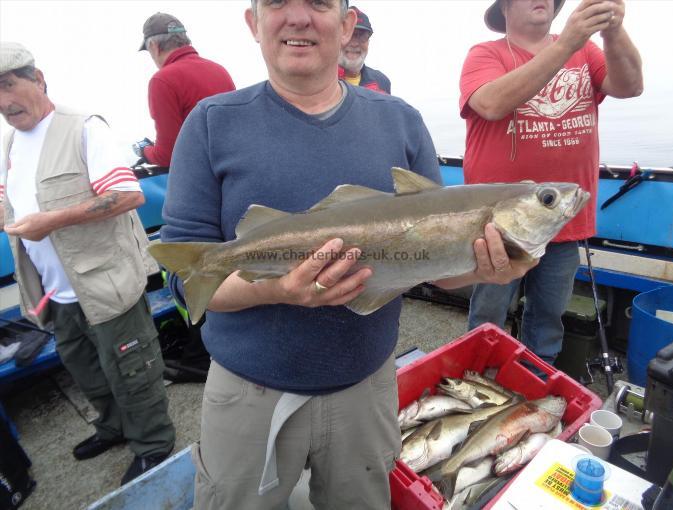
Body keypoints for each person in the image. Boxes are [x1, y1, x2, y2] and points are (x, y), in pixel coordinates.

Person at [160, 1, 534, 508]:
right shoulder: (210, 122)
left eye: (318, 2)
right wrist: (277, 289)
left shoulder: (401, 120)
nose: (298, 17)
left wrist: (490, 269)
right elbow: (189, 283)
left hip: (367, 383)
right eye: (276, 3)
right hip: (249, 389)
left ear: (346, 23)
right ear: (253, 23)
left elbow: (438, 272)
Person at [0, 42, 175, 486]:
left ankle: (154, 443)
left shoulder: (83, 128)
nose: (3, 102)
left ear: (38, 79)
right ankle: (113, 427)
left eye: (8, 85)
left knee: (132, 369)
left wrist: (51, 221)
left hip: (105, 282)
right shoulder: (11, 144)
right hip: (56, 292)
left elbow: (129, 195)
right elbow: (11, 201)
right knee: (86, 369)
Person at [460, 0, 643, 363]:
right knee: (488, 315)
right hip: (498, 225)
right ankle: (477, 381)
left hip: (563, 220)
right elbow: (492, 103)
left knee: (548, 318)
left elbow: (631, 86)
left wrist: (612, 31)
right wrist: (565, 45)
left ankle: (536, 386)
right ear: (506, 8)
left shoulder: (587, 50)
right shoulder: (485, 54)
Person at [134, 12, 236, 168]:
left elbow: (168, 155)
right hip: (234, 173)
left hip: (205, 180)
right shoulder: (219, 70)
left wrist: (144, 151)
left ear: (154, 47)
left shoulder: (162, 80)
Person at [338, 6, 391, 94]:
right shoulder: (318, 79)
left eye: (362, 36)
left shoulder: (381, 82)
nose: (354, 43)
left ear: (368, 41)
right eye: (349, 35)